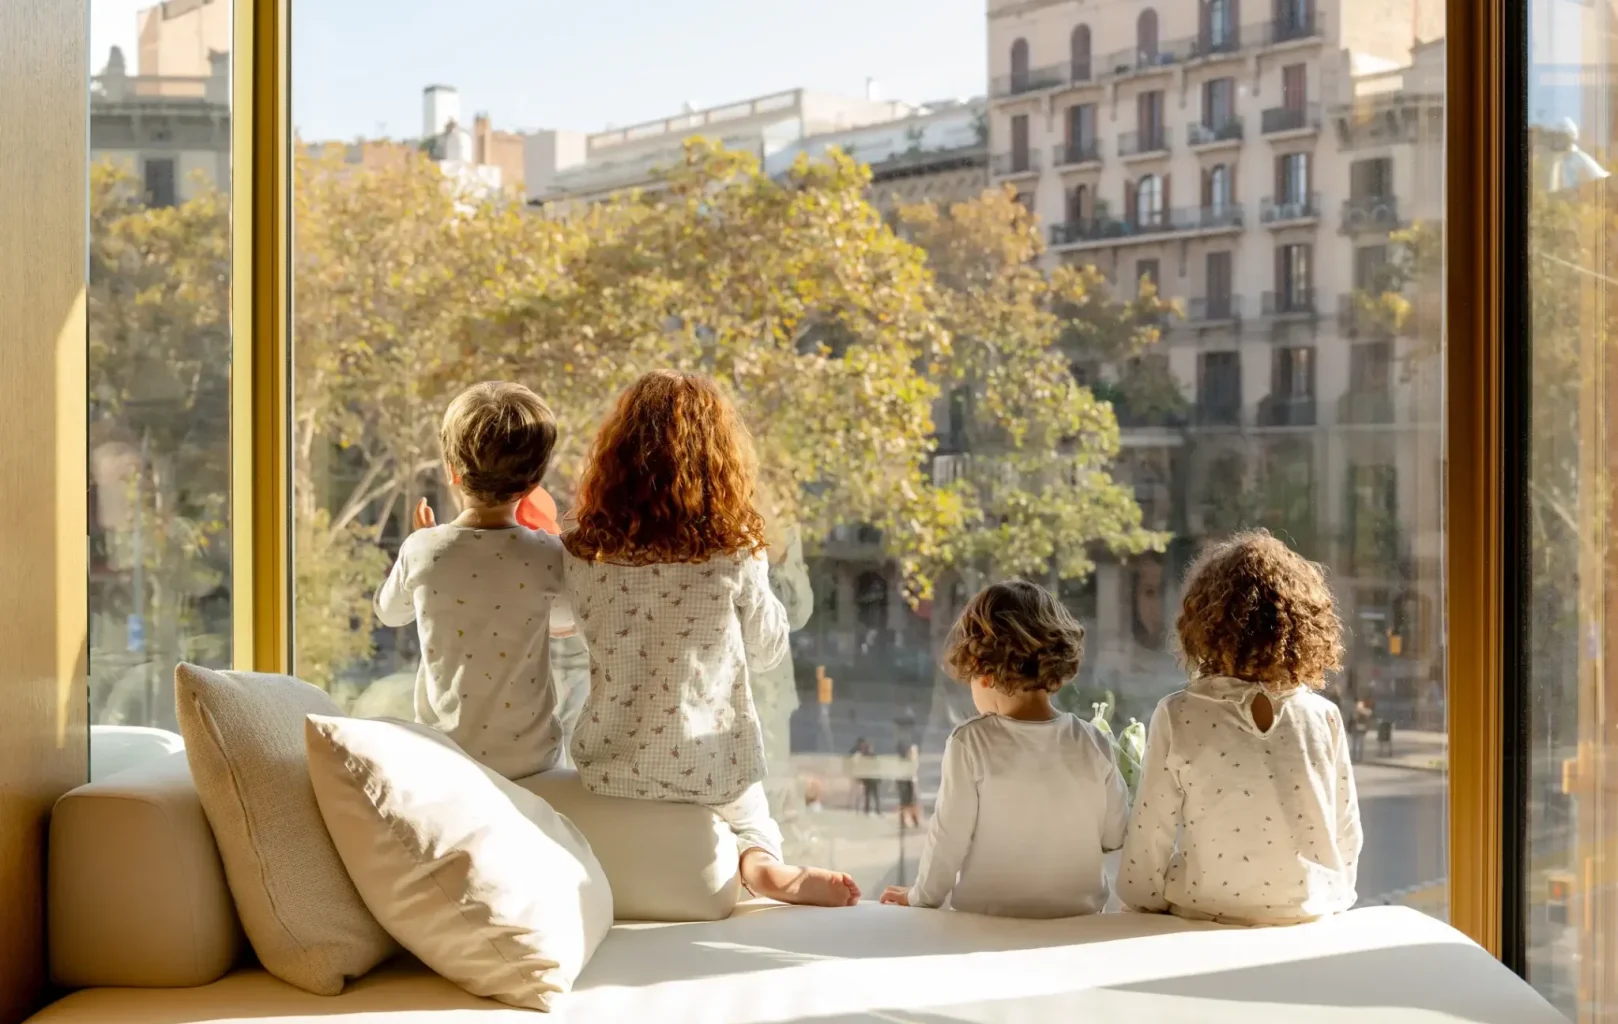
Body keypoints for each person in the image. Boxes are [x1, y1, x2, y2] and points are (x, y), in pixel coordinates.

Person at [562, 370, 859, 908]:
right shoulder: (734, 552)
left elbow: (564, 622)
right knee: (752, 816)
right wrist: (761, 571)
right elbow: (769, 651)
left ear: (614, 462)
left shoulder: (583, 554)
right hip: (707, 767)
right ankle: (763, 866)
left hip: (608, 765)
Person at [1116, 530, 1363, 926]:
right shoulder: (1324, 716)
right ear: (1303, 626)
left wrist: (1140, 899)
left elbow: (1151, 832)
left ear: (1204, 624)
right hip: (1305, 913)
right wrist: (1334, 896)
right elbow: (1346, 832)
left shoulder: (1179, 714)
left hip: (1206, 911)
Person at [880, 579, 1129, 918]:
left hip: (987, 923)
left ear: (982, 669)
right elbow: (1116, 834)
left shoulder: (971, 742)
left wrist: (919, 897)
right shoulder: (1092, 741)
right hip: (1078, 923)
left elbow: (947, 840)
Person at [374, 382, 566, 780]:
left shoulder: (423, 550)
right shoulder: (548, 555)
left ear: (451, 472)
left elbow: (389, 614)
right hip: (533, 764)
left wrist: (418, 544)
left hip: (446, 760)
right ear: (533, 485)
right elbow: (568, 622)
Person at [851, 738, 881, 814]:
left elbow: (876, 766)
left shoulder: (867, 756)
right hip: (869, 778)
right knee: (870, 795)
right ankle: (869, 809)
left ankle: (871, 809)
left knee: (871, 795)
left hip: (871, 778)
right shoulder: (865, 756)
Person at [896, 737, 921, 829]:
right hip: (906, 782)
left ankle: (910, 820)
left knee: (907, 802)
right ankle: (912, 820)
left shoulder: (905, 761)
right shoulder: (907, 761)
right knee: (909, 802)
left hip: (906, 782)